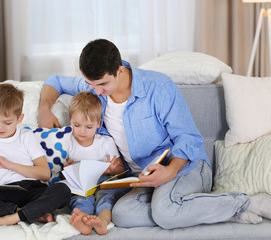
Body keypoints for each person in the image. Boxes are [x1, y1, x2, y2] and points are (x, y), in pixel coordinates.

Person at [37, 38, 271, 229]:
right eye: (90, 84)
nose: (96, 91)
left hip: (186, 166)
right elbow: (54, 81)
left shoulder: (158, 87)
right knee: (122, 215)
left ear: (119, 70)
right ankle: (217, 212)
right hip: (141, 178)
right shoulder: (94, 87)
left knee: (165, 211)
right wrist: (44, 108)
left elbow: (188, 139)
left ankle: (246, 202)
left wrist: (170, 170)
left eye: (102, 85)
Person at [0, 83, 71, 231]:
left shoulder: (26, 137)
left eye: (7, 122)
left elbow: (45, 174)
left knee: (63, 190)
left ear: (19, 118)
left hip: (30, 189)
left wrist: (11, 165)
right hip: (3, 192)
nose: (0, 127)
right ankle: (29, 213)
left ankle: (9, 219)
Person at [66, 90, 128, 235]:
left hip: (103, 180)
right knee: (81, 199)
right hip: (81, 184)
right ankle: (84, 220)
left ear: (98, 124)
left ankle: (102, 221)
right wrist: (66, 170)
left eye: (89, 127)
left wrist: (113, 169)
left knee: (106, 197)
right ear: (70, 121)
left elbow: (120, 170)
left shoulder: (106, 142)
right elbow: (61, 175)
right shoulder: (67, 142)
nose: (82, 131)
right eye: (77, 125)